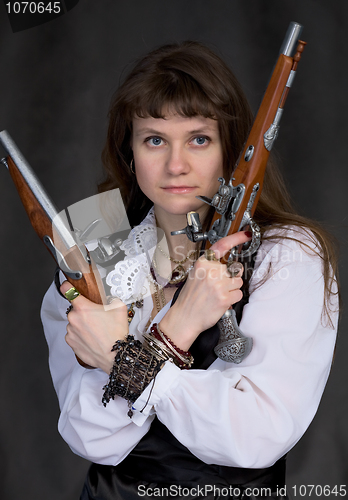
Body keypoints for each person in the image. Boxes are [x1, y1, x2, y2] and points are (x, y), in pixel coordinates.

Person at [41, 41, 339, 500]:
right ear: (131, 150)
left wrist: (126, 358)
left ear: (230, 148)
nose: (175, 165)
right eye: (154, 139)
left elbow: (257, 435)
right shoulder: (94, 249)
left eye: (199, 138)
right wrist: (177, 329)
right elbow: (90, 435)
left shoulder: (288, 254)